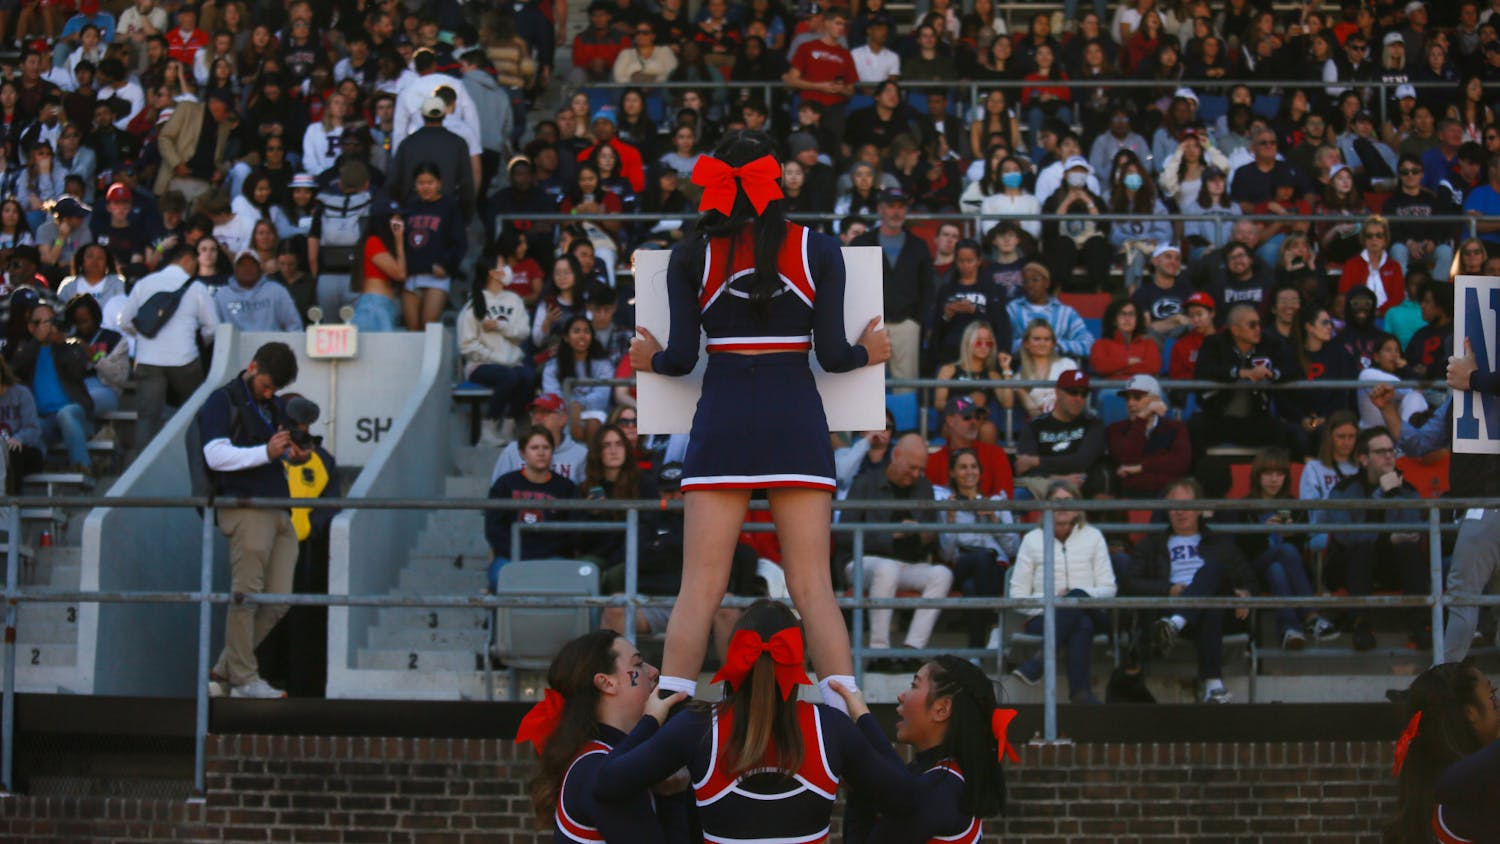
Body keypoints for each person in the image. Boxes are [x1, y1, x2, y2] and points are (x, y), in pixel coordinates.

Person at [628, 130, 890, 712]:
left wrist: (649, 360)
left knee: (699, 587)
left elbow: (679, 359)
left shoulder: (690, 252)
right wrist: (869, 352)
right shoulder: (816, 249)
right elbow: (832, 354)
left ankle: (662, 717)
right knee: (813, 587)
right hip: (793, 416)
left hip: (722, 417)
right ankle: (853, 716)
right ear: (774, 182)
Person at [593, 600, 919, 843]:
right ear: (799, 661)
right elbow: (906, 800)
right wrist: (862, 717)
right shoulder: (832, 727)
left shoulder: (697, 727)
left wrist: (651, 719)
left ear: (732, 658)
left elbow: (607, 784)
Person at [199, 342, 302, 700]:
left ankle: (225, 670)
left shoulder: (270, 405)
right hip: (247, 507)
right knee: (248, 596)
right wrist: (266, 452)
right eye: (266, 385)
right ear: (252, 366)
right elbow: (213, 454)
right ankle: (243, 678)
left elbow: (272, 452)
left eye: (275, 389)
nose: (271, 393)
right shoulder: (222, 400)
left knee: (278, 600)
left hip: (277, 508)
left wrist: (292, 455)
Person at [517, 630, 689, 843]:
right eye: (638, 665)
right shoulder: (594, 766)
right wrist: (672, 798)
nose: (653, 672)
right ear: (606, 683)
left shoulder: (604, 757)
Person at [843, 655, 1013, 842]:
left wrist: (862, 717)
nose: (901, 696)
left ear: (942, 709)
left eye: (914, 685)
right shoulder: (934, 778)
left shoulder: (941, 786)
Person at [1125, 477, 1255, 704]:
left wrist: (1247, 595)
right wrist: (1168, 589)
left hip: (1215, 615)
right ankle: (1214, 686)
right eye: (1174, 506)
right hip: (1172, 607)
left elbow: (1251, 579)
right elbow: (1131, 583)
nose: (1180, 512)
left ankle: (1176, 623)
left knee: (1213, 570)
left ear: (1199, 509)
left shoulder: (1220, 543)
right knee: (1210, 605)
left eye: (1186, 505)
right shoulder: (1151, 545)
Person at [839, 434, 949, 672]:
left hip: (906, 563)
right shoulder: (865, 482)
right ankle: (880, 653)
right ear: (896, 456)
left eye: (921, 469)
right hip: (860, 562)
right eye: (912, 467)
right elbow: (843, 534)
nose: (917, 474)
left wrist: (923, 533)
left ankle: (912, 650)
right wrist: (891, 535)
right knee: (886, 569)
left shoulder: (924, 487)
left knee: (942, 574)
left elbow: (932, 538)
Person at [1007, 479, 1115, 704]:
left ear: (1077, 508)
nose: (1063, 506)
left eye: (1068, 501)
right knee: (1080, 623)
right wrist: (1053, 601)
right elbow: (1017, 596)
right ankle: (1081, 694)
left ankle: (1039, 662)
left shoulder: (1093, 536)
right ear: (1045, 506)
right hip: (1043, 615)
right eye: (1056, 501)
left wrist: (1075, 596)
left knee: (1076, 599)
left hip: (1093, 612)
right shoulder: (1032, 540)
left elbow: (1109, 589)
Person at [1324, 426, 1425, 651]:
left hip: (1391, 565)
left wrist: (1393, 495)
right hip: (1349, 566)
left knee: (1408, 549)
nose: (1389, 456)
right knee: (1363, 548)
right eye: (1380, 452)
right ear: (1363, 459)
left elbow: (1410, 531)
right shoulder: (1343, 490)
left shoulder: (1407, 491)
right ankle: (1360, 623)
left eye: (1391, 450)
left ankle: (1420, 624)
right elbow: (1346, 536)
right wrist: (1380, 495)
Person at [1227, 447, 1337, 650]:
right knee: (1284, 552)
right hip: (1254, 570)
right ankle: (1310, 615)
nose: (1274, 479)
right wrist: (1263, 531)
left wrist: (1292, 534)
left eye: (1279, 474)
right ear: (1258, 476)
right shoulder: (1244, 507)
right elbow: (1240, 550)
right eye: (1268, 474)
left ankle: (1289, 630)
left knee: (1277, 568)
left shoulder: (1294, 505)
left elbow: (1304, 544)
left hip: (1285, 574)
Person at [1384, 663, 1500, 844]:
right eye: (1493, 697)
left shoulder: (1438, 789)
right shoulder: (1458, 790)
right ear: (1471, 712)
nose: (1499, 706)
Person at [118, 241, 219, 447]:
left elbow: (124, 321)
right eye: (194, 263)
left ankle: (141, 470)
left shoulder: (145, 283)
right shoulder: (196, 287)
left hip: (148, 360)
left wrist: (143, 336)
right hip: (185, 359)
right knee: (195, 412)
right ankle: (196, 456)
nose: (195, 269)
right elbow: (213, 327)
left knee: (147, 418)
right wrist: (201, 342)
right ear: (186, 259)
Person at [939, 446, 1019, 648]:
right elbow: (946, 554)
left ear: (980, 472)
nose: (969, 472)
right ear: (953, 473)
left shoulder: (997, 502)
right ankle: (994, 622)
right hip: (963, 565)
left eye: (974, 467)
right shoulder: (946, 505)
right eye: (963, 467)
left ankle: (976, 652)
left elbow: (1012, 550)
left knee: (971, 588)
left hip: (995, 568)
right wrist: (951, 520)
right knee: (980, 560)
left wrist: (994, 519)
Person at [849, 187, 930, 388]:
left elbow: (928, 287)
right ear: (880, 209)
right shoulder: (861, 243)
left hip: (906, 324)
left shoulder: (918, 245)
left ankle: (905, 421)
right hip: (870, 325)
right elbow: (850, 284)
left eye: (901, 207)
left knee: (906, 386)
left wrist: (918, 321)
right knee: (867, 386)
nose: (896, 212)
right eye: (891, 206)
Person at [1190, 302, 1294, 456]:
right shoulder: (1214, 343)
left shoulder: (1270, 342)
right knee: (1194, 427)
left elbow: (1292, 368)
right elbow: (1203, 371)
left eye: (1259, 324)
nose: (1258, 329)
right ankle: (1197, 477)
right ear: (1235, 330)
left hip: (1255, 418)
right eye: (1252, 325)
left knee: (1287, 433)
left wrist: (1272, 374)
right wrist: (1239, 373)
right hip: (1218, 417)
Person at [9, 301, 94, 474]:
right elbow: (14, 370)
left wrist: (61, 343)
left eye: (50, 321)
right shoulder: (25, 350)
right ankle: (40, 467)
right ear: (31, 327)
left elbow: (78, 370)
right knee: (31, 428)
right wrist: (36, 342)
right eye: (40, 322)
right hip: (43, 418)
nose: (47, 327)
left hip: (73, 413)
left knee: (66, 414)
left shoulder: (70, 346)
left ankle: (83, 468)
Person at [459, 249, 532, 446]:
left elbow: (523, 331)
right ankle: (488, 430)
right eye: (502, 265)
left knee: (528, 377)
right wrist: (493, 356)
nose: (507, 269)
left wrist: (500, 326)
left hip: (511, 362)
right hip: (480, 365)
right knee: (508, 377)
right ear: (492, 272)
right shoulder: (473, 304)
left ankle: (508, 428)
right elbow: (466, 345)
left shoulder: (514, 300)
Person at [484, 426, 578, 579]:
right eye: (534, 448)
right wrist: (516, 551)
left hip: (552, 558)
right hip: (510, 556)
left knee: (561, 580)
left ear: (552, 451)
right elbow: (494, 529)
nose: (541, 453)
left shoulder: (566, 487)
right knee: (500, 579)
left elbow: (570, 532)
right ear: (522, 453)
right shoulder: (505, 484)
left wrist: (543, 553)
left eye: (546, 447)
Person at [1014, 369, 1108, 498]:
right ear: (1058, 392)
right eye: (1073, 392)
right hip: (1047, 485)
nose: (1078, 398)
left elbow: (1082, 461)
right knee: (1020, 493)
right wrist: (1056, 478)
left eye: (1084, 394)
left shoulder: (1093, 424)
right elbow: (1023, 467)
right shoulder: (1035, 426)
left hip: (1084, 484)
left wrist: (1036, 461)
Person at [399, 162, 466, 330]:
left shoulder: (449, 206)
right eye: (421, 183)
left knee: (429, 328)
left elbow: (459, 241)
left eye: (430, 182)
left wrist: (446, 264)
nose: (425, 187)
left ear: (439, 183)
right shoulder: (409, 207)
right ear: (415, 185)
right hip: (411, 275)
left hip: (436, 276)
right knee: (412, 330)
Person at [1107, 374, 1192, 498]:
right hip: (1132, 496)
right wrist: (1141, 419)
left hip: (1168, 496)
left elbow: (1180, 462)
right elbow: (1126, 458)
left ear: (1155, 400)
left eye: (1137, 397)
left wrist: (1140, 467)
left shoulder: (1176, 427)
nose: (1130, 403)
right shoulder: (1116, 429)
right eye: (1127, 398)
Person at [489, 394, 589, 485]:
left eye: (544, 412)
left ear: (563, 419)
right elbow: (497, 492)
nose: (537, 417)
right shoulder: (512, 451)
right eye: (534, 412)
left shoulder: (581, 454)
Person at [926, 395, 1013, 497]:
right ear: (950, 421)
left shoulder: (995, 454)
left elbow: (1005, 497)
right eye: (967, 417)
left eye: (977, 417)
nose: (974, 422)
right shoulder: (933, 461)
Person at [1004, 262, 1095, 359]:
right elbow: (1003, 344)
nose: (1030, 285)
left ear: (1047, 283)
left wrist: (1057, 345)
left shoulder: (1065, 312)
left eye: (1035, 280)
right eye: (1025, 281)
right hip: (1024, 368)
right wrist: (1027, 345)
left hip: (1058, 366)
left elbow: (1089, 345)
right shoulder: (1013, 309)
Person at [214, 250, 301, 332]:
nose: (247, 268)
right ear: (235, 269)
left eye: (252, 264)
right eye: (242, 265)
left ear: (260, 268)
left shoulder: (276, 290)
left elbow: (294, 325)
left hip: (270, 346)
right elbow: (215, 329)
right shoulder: (222, 295)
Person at [0, 357, 44, 494]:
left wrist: (19, 438)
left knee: (12, 451)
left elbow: (33, 429)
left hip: (26, 451)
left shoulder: (21, 393)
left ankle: (12, 504)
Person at [1089, 297, 1162, 379]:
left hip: (1143, 388)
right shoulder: (1101, 344)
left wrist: (1116, 370)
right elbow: (1100, 367)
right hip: (1113, 387)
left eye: (1131, 314)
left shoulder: (1149, 344)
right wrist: (1128, 362)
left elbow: (1153, 367)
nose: (1127, 319)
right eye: (1122, 314)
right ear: (1114, 320)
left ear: (1137, 320)